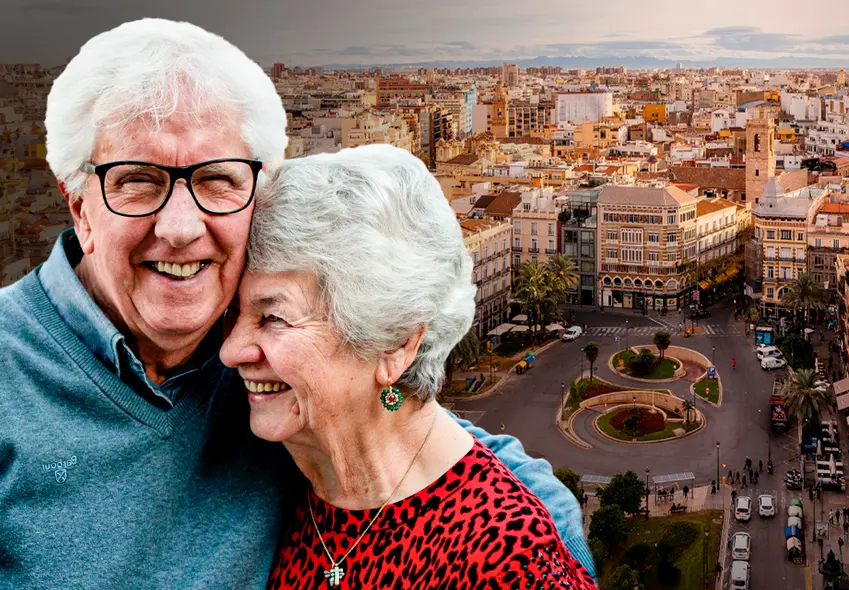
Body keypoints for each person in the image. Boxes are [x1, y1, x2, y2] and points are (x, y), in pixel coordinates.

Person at [0, 19, 594, 587]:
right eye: (135, 179)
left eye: (216, 179)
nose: (180, 228)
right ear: (78, 205)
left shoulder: (235, 343)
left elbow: (399, 424)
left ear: (251, 192)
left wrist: (542, 540)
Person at [222, 147, 597, 587]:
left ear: (394, 345)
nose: (232, 350)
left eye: (274, 318)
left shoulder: (506, 556)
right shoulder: (296, 481)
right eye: (233, 313)